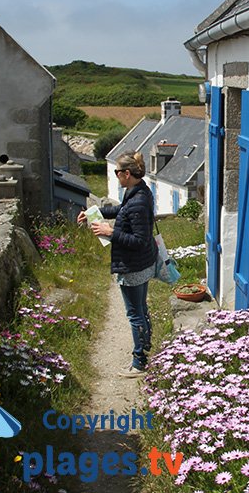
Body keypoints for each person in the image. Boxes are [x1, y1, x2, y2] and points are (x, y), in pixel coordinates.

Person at [77, 152, 157, 378]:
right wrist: (94, 212)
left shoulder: (138, 201)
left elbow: (139, 241)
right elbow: (122, 211)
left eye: (117, 173)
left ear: (127, 174)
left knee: (135, 314)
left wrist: (111, 233)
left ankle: (139, 362)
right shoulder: (138, 191)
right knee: (141, 309)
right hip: (141, 264)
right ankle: (145, 347)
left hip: (133, 267)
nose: (116, 177)